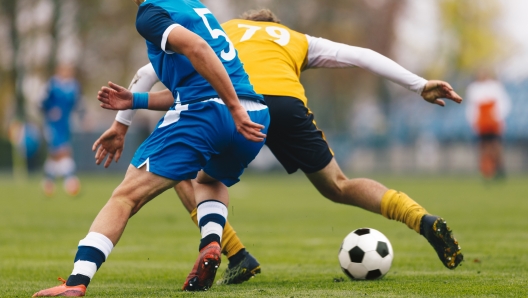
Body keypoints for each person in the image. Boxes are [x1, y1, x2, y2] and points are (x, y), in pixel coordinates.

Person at [93, 8, 465, 286]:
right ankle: (421, 219)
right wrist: (418, 86)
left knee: (182, 172)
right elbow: (360, 55)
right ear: (274, 23)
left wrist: (120, 125)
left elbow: (146, 74)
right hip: (284, 106)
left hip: (230, 103)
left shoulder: (220, 31)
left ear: (247, 20)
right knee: (338, 185)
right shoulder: (294, 38)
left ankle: (235, 253)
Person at [32, 0, 269, 296]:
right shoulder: (195, 7)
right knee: (208, 178)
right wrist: (134, 102)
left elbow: (198, 51)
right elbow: (191, 84)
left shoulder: (151, 11)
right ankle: (212, 242)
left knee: (125, 197)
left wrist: (232, 108)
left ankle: (76, 281)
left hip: (212, 114)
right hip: (256, 113)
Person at [39, 63, 83, 197]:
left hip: (67, 123)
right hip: (53, 124)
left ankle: (48, 182)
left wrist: (83, 117)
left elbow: (79, 103)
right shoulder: (51, 84)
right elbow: (41, 102)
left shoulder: (74, 86)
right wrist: (49, 111)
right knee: (62, 151)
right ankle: (71, 181)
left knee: (55, 154)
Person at [465, 68, 511, 180]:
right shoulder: (473, 88)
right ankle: (486, 170)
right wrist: (473, 121)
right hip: (482, 121)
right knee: (483, 147)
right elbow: (472, 107)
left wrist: (497, 116)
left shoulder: (495, 86)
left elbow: (503, 103)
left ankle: (499, 169)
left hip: (493, 120)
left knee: (495, 146)